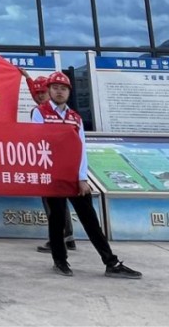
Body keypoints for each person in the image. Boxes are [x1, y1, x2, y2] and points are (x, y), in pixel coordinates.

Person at [31, 72, 141, 279]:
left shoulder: (75, 118)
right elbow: (38, 142)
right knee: (56, 220)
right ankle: (60, 261)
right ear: (49, 90)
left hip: (74, 177)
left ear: (69, 92)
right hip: (53, 176)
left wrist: (82, 178)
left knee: (90, 220)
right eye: (55, 88)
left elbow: (81, 148)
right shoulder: (40, 112)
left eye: (63, 88)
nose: (59, 92)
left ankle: (111, 262)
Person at [21, 70, 76, 253]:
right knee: (59, 202)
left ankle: (58, 239)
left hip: (53, 164)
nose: (39, 96)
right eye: (37, 93)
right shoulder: (44, 109)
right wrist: (26, 77)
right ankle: (67, 237)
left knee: (53, 203)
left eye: (43, 93)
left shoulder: (51, 112)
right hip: (58, 163)